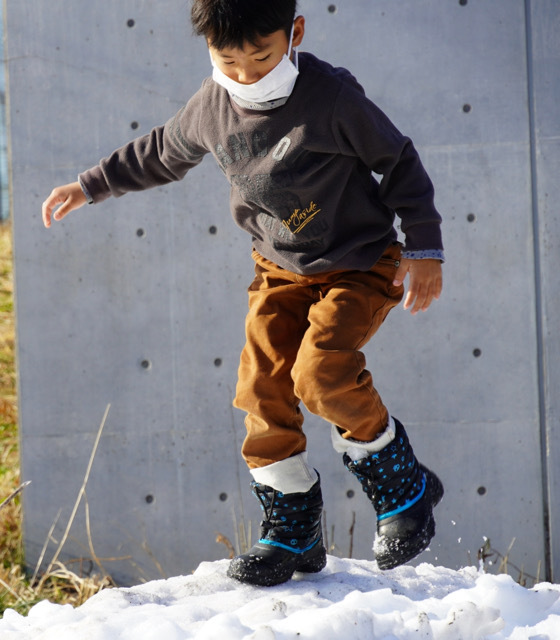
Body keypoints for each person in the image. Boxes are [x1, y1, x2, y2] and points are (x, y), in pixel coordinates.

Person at [40, 0, 444, 587]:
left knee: (321, 374)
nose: (247, 75)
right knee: (261, 390)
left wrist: (424, 248)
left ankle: (405, 488)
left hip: (358, 263)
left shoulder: (330, 98)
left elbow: (399, 160)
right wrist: (90, 185)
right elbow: (160, 152)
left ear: (294, 34)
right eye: (229, 61)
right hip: (278, 269)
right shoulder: (213, 107)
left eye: (262, 57)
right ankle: (293, 532)